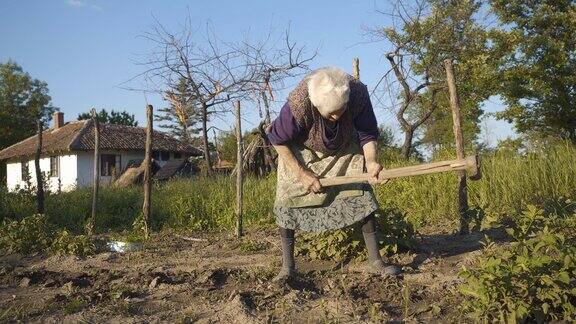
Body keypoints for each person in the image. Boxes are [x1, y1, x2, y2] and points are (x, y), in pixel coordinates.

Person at [266, 66, 402, 280]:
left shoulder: (357, 94)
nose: (336, 117)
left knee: (360, 189)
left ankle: (375, 261)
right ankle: (288, 268)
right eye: (330, 115)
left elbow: (367, 133)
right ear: (316, 105)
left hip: (344, 146)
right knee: (287, 195)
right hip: (302, 151)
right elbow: (277, 140)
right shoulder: (299, 104)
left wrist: (373, 162)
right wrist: (302, 174)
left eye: (341, 111)